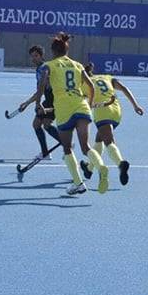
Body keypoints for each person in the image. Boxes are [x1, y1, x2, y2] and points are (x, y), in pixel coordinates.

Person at [35, 32, 108, 196]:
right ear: (66, 51)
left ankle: (78, 183)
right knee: (85, 146)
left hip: (64, 109)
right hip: (81, 105)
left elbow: (42, 82)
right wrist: (88, 103)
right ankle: (101, 166)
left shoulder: (49, 65)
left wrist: (38, 102)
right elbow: (91, 86)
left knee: (67, 148)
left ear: (53, 51)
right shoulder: (78, 65)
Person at [82, 62, 144, 186]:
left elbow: (82, 103)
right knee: (99, 139)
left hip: (102, 112)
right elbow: (124, 88)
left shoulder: (83, 84)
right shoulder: (106, 77)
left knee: (108, 142)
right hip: (116, 111)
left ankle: (121, 164)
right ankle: (89, 169)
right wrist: (135, 105)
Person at [17, 45, 60, 160]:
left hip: (54, 100)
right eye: (32, 56)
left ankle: (67, 144)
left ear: (41, 56)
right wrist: (26, 103)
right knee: (37, 124)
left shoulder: (44, 68)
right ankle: (45, 153)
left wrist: (31, 103)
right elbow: (39, 92)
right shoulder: (39, 69)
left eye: (36, 56)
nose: (33, 58)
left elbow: (45, 88)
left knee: (47, 125)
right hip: (47, 100)